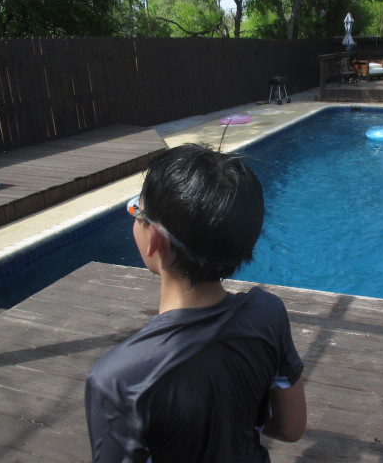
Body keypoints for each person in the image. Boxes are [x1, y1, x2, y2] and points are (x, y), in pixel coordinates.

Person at [85, 144, 306, 462]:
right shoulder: (268, 315)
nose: (133, 217)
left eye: (137, 210)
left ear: (156, 240)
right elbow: (290, 428)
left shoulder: (119, 379)